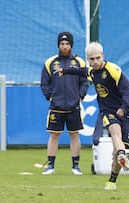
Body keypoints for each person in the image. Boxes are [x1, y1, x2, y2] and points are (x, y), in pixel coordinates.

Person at [55, 42, 129, 191]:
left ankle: (113, 179)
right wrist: (65, 71)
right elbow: (81, 71)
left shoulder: (113, 70)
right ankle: (122, 155)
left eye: (98, 58)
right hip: (108, 110)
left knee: (116, 150)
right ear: (88, 59)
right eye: (91, 59)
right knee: (114, 131)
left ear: (103, 56)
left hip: (126, 111)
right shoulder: (92, 71)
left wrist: (124, 108)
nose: (95, 62)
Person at [40, 32, 89, 175]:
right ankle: (50, 166)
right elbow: (44, 83)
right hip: (56, 106)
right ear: (58, 45)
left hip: (74, 106)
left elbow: (85, 81)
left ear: (71, 45)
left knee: (74, 135)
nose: (65, 46)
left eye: (67, 44)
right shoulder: (50, 62)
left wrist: (80, 96)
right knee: (54, 135)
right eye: (62, 44)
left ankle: (75, 167)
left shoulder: (79, 62)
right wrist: (50, 97)